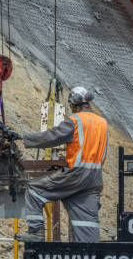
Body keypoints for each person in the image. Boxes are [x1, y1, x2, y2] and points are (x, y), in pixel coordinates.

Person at [17, 86, 108, 242]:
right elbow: (90, 149)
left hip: (76, 174)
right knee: (86, 222)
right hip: (95, 178)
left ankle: (36, 232)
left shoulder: (75, 120)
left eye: (71, 105)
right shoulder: (102, 122)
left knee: (34, 189)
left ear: (74, 103)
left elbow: (52, 137)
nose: (71, 108)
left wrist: (24, 139)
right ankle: (90, 256)